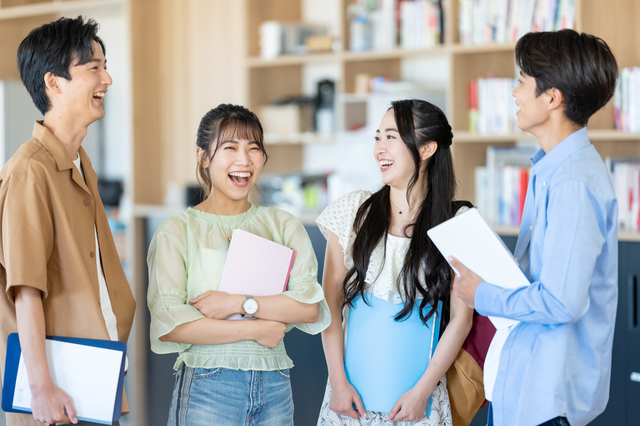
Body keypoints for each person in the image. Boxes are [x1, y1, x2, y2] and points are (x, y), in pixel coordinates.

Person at [451, 29, 619, 426]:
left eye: (523, 82)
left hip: (548, 399)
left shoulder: (572, 181)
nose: (514, 93)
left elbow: (561, 301)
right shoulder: (550, 168)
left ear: (552, 98)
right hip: (522, 388)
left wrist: (484, 294)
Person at [147, 103, 331, 426]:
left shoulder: (283, 225)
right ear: (203, 157)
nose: (244, 161)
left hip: (275, 385)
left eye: (253, 149)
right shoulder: (177, 230)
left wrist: (238, 303)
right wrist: (259, 327)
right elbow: (170, 324)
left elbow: (308, 308)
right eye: (230, 148)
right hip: (208, 385)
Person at [0, 17, 136, 426]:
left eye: (105, 64)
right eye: (93, 67)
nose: (107, 78)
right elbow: (26, 289)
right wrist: (41, 387)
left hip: (95, 375)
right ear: (54, 84)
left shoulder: (79, 162)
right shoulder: (29, 170)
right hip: (57, 392)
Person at [316, 99, 474, 426]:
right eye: (377, 137)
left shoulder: (457, 223)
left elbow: (462, 319)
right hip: (350, 401)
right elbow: (328, 305)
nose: (379, 149)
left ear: (427, 148)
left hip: (419, 404)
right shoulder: (353, 212)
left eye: (392, 137)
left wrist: (422, 391)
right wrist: (338, 382)